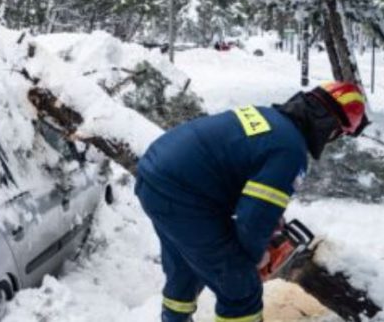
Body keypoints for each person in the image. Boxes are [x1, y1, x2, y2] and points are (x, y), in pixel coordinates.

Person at [135, 81, 368, 322]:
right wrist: (256, 256)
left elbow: (243, 179)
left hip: (155, 175)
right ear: (331, 128)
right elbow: (253, 218)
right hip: (184, 196)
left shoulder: (266, 116)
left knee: (185, 269)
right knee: (240, 288)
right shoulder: (290, 151)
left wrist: (273, 220)